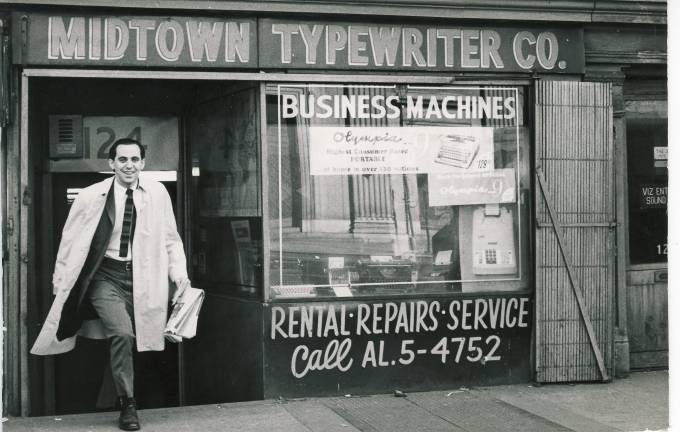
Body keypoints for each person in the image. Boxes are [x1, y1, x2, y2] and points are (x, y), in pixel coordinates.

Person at [31, 138, 191, 431]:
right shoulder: (91, 196)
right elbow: (70, 241)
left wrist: (179, 276)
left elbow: (171, 239)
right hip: (105, 275)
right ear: (111, 164)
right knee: (122, 333)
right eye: (122, 160)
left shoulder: (157, 193)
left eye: (134, 159)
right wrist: (60, 284)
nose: (128, 165)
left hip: (144, 276)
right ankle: (128, 405)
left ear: (143, 163)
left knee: (145, 340)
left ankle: (110, 396)